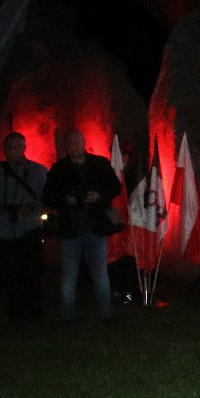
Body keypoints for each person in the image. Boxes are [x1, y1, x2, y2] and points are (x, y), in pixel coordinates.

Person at [42, 130, 122, 325]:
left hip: (95, 227)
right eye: (70, 144)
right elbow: (48, 196)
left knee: (100, 274)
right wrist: (65, 200)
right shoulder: (59, 168)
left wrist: (99, 195)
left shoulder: (99, 164)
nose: (74, 147)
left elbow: (115, 187)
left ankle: (106, 315)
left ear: (84, 143)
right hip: (70, 230)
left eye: (77, 143)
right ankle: (67, 317)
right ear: (66, 147)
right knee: (69, 276)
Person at [0, 131, 48, 322]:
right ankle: (16, 313)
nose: (12, 152)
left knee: (32, 272)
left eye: (16, 147)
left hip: (29, 229)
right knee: (11, 275)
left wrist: (35, 208)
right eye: (9, 148)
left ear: (24, 148)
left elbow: (47, 197)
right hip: (4, 231)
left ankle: (34, 312)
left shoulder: (38, 171)